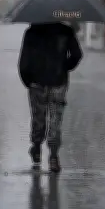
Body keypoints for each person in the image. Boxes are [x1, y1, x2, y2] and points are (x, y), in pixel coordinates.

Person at [18, 21, 83, 173]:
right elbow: (77, 55)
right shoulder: (66, 31)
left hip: (36, 82)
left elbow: (24, 60)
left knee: (38, 117)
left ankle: (36, 147)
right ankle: (53, 156)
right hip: (58, 81)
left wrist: (28, 80)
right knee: (56, 119)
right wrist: (64, 67)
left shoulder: (32, 32)